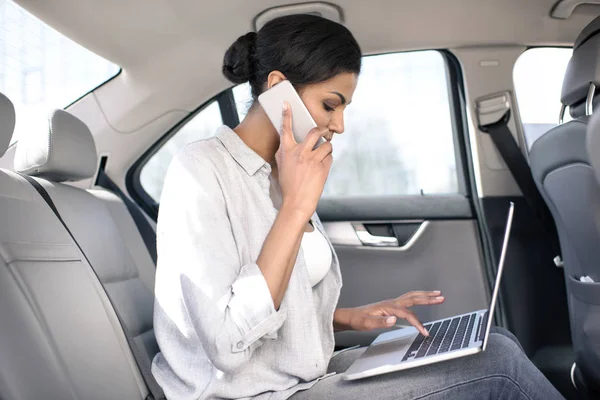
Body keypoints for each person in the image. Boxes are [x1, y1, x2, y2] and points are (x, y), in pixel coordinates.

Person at [151, 14, 565, 400]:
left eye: (344, 107)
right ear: (278, 88)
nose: (340, 125)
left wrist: (350, 317)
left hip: (298, 376)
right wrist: (296, 207)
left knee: (496, 341)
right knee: (501, 365)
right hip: (249, 393)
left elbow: (279, 304)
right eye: (330, 105)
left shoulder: (285, 167)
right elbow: (226, 342)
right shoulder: (200, 170)